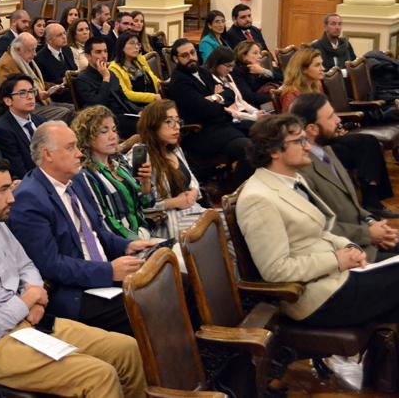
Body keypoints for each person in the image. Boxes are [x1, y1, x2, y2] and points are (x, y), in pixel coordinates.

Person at [0, 152, 147, 398]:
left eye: (11, 188)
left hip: (29, 321)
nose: (12, 198)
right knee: (99, 375)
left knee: (127, 349)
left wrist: (37, 300)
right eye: (3, 191)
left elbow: (27, 267)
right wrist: (28, 301)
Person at [237, 115, 399, 328]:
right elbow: (275, 270)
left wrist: (350, 247)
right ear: (274, 151)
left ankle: (369, 357)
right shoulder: (257, 198)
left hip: (335, 277)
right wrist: (336, 259)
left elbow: (321, 230)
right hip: (315, 296)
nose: (307, 147)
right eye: (299, 141)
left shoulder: (293, 179)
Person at [9, 122, 157, 335]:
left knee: (177, 281)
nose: (79, 154)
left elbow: (97, 233)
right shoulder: (29, 198)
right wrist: (109, 272)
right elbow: (50, 265)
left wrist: (127, 245)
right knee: (150, 303)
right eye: (70, 148)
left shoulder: (76, 180)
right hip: (75, 292)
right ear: (47, 154)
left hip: (105, 273)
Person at [290, 93, 398, 260]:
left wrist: (371, 222)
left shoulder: (326, 150)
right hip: (349, 254)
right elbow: (320, 228)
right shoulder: (302, 170)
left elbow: (352, 207)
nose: (338, 120)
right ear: (312, 129)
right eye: (331, 117)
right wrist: (368, 234)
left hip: (365, 239)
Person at [167, 38, 252, 183]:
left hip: (222, 125)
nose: (191, 58)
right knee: (248, 149)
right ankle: (231, 190)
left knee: (265, 132)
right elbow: (204, 110)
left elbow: (229, 94)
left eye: (192, 52)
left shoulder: (202, 71)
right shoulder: (179, 81)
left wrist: (214, 97)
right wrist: (219, 98)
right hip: (202, 133)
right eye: (185, 55)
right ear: (175, 59)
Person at [73, 106, 154, 240]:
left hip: (145, 232)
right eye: (104, 131)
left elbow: (147, 204)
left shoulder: (120, 161)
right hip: (126, 246)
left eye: (114, 130)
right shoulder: (86, 175)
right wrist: (138, 241)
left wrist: (145, 183)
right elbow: (105, 224)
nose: (113, 136)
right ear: (87, 137)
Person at [134, 100, 206, 239]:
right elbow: (140, 204)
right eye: (169, 121)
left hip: (193, 210)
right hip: (168, 221)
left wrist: (194, 193)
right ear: (153, 125)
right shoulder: (141, 155)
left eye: (178, 121)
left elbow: (193, 181)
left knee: (229, 226)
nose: (177, 127)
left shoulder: (175, 149)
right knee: (223, 222)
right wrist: (174, 202)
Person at [73, 37, 141, 138]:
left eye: (105, 51)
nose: (104, 56)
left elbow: (123, 99)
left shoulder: (111, 74)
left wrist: (139, 111)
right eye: (98, 52)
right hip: (105, 120)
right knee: (147, 126)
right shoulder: (83, 79)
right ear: (88, 56)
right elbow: (97, 106)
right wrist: (105, 79)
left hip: (124, 115)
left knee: (153, 117)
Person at [0, 33, 73, 121]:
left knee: (73, 108)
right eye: (31, 50)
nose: (35, 54)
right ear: (18, 49)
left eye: (35, 50)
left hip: (42, 102)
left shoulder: (23, 60)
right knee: (65, 112)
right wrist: (36, 93)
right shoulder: (6, 65)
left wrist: (54, 87)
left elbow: (37, 83)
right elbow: (8, 92)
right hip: (26, 107)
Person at [0, 75, 47, 180]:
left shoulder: (41, 121)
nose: (30, 97)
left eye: (31, 91)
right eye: (22, 93)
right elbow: (19, 170)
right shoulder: (3, 130)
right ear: (8, 101)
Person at [204, 47, 263, 123]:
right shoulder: (209, 79)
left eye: (232, 66)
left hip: (243, 114)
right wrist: (253, 117)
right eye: (228, 66)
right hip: (232, 119)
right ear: (216, 63)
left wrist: (255, 112)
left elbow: (240, 100)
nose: (231, 70)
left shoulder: (228, 75)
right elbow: (226, 110)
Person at [107, 32, 161, 109]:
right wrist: (152, 97)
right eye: (132, 43)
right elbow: (126, 94)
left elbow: (151, 75)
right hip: (136, 107)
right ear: (122, 46)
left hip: (155, 100)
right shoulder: (114, 68)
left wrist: (158, 82)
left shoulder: (140, 59)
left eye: (138, 44)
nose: (136, 47)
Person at [35, 22, 77, 103]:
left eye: (64, 33)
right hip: (58, 96)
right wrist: (64, 80)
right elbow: (45, 83)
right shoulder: (40, 58)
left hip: (73, 88)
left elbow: (74, 69)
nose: (64, 37)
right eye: (59, 35)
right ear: (49, 40)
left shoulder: (67, 49)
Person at [232, 41, 281, 107]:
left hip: (267, 99)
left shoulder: (258, 66)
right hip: (254, 107)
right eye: (255, 53)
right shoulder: (236, 71)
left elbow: (283, 77)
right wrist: (275, 96)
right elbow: (249, 97)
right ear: (243, 56)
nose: (260, 56)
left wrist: (264, 71)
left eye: (259, 53)